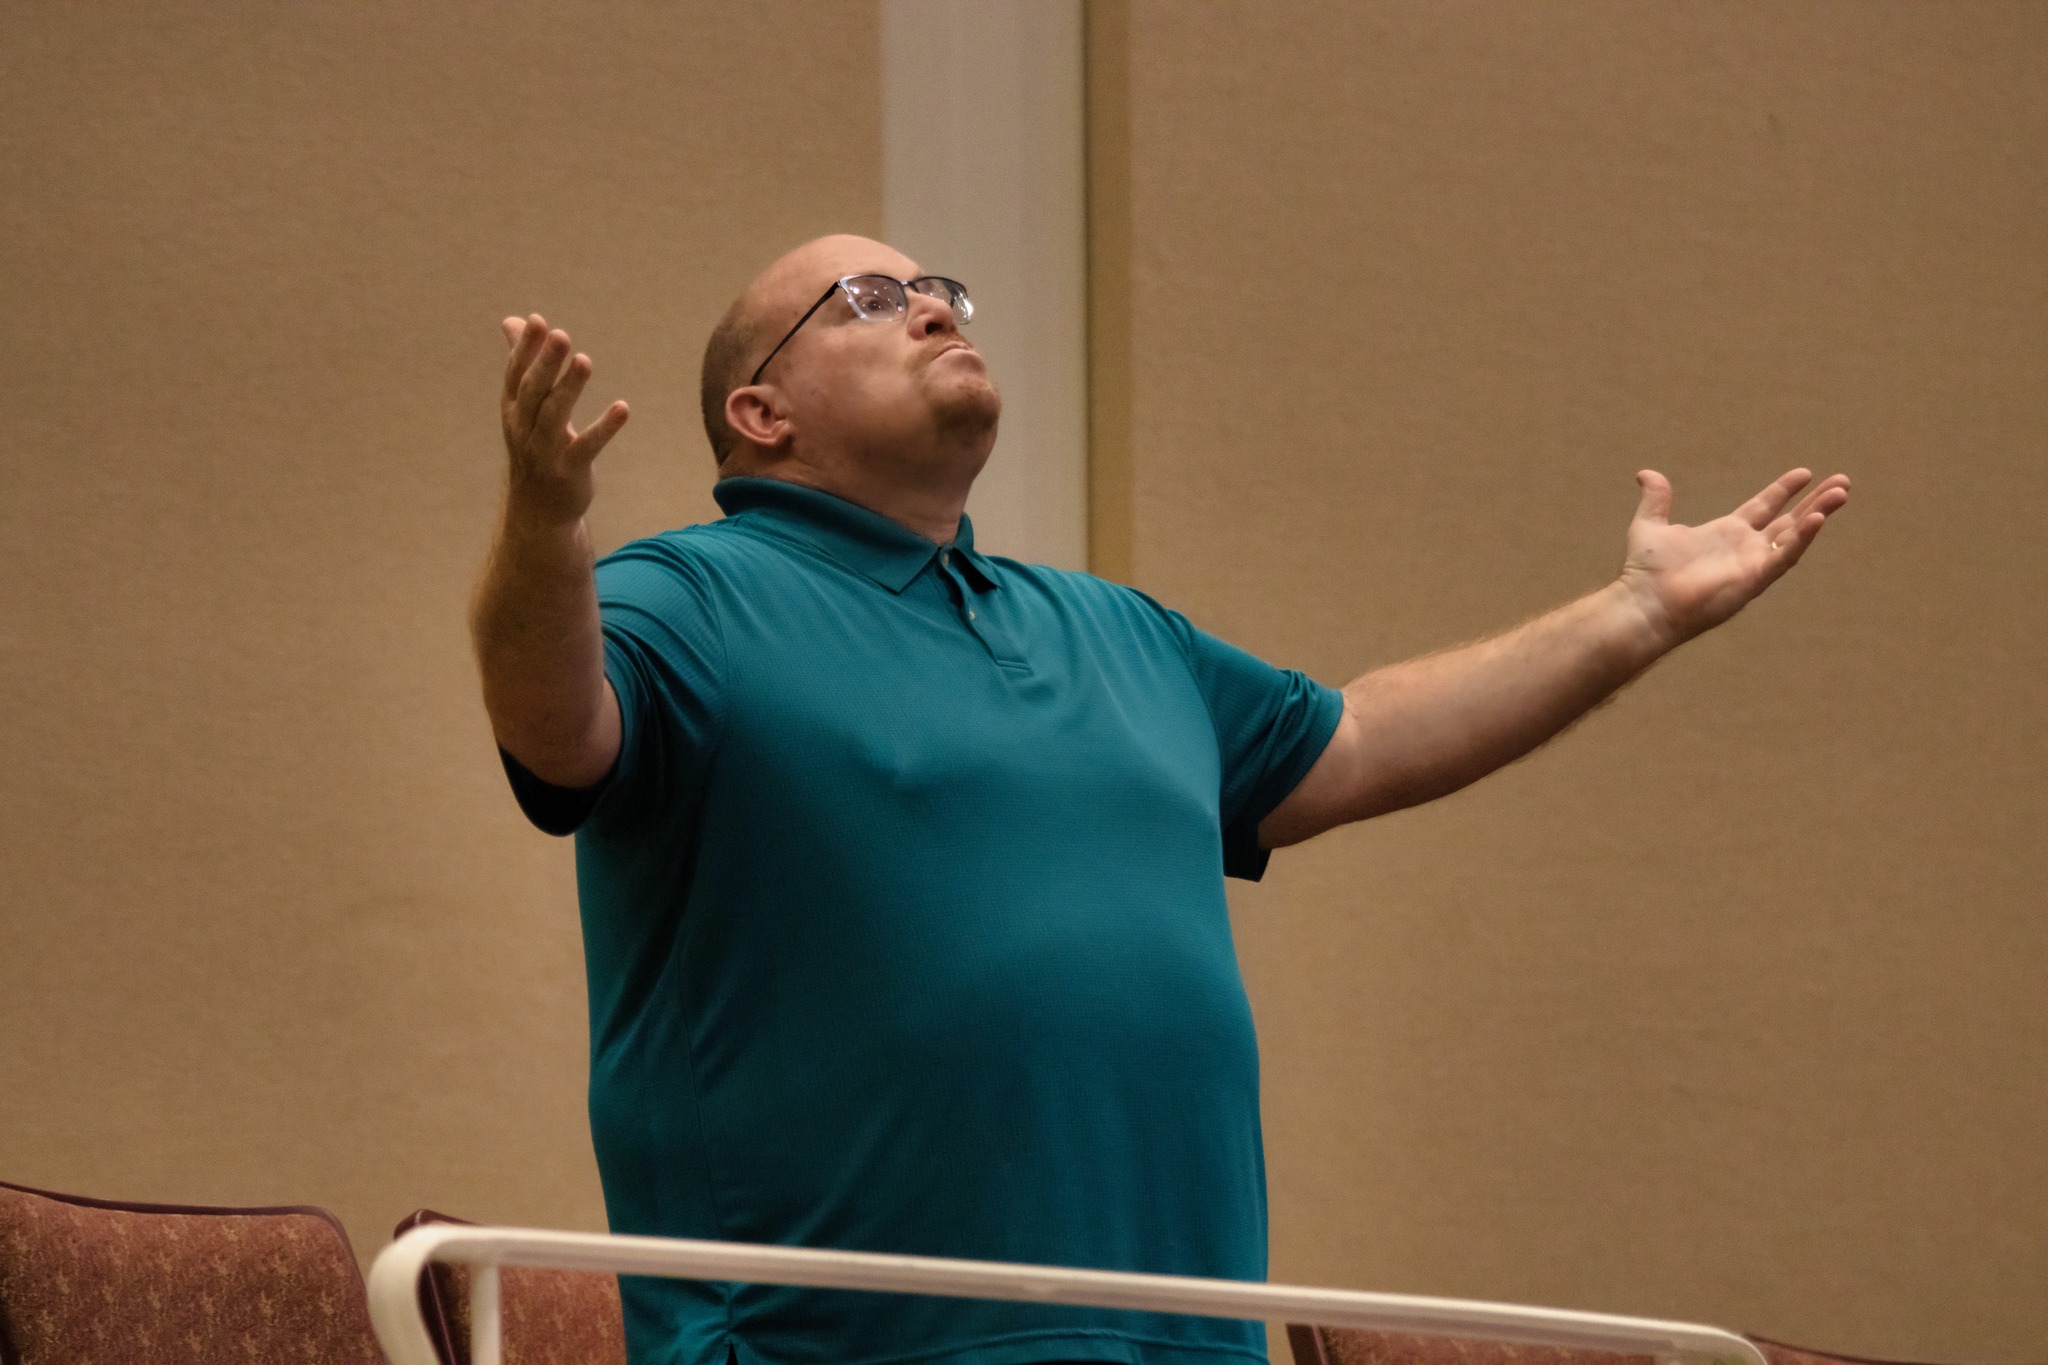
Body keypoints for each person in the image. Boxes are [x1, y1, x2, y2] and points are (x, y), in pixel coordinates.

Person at [469, 234, 1849, 1365]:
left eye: (943, 288)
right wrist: (546, 526)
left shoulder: (1115, 631)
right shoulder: (692, 592)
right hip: (834, 1344)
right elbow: (556, 726)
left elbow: (1361, 735)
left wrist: (1636, 616)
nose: (935, 310)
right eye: (871, 301)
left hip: (1185, 1342)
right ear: (757, 412)